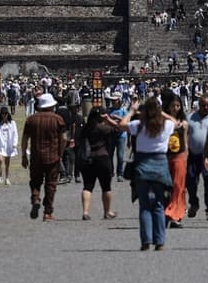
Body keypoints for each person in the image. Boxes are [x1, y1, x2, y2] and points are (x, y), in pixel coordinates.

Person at [107, 96, 176, 250]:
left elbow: (122, 125)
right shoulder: (166, 125)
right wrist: (162, 113)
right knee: (159, 205)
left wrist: (131, 111)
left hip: (142, 163)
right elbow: (176, 122)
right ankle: (160, 241)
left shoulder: (139, 125)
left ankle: (146, 241)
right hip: (160, 164)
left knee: (144, 206)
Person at [21, 93, 67, 221]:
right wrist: (61, 153)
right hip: (53, 156)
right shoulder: (58, 119)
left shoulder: (31, 120)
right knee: (51, 184)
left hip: (36, 156)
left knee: (35, 181)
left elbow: (25, 139)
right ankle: (48, 212)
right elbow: (63, 138)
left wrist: (24, 155)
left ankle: (35, 198)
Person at [77, 106, 119, 221]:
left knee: (87, 186)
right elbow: (118, 128)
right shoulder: (103, 128)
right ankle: (107, 211)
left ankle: (85, 212)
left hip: (87, 159)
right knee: (106, 187)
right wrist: (109, 119)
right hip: (102, 157)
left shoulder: (86, 128)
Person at [162, 92, 189, 229]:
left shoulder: (184, 123)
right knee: (165, 187)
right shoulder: (164, 121)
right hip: (165, 157)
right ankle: (166, 212)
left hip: (179, 156)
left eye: (178, 105)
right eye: (173, 105)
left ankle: (175, 215)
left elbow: (185, 140)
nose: (176, 108)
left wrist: (186, 155)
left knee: (179, 187)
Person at [186, 95, 208, 219]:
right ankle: (194, 203)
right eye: (203, 105)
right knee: (191, 181)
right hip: (192, 154)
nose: (205, 107)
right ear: (199, 104)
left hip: (207, 155)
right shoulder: (190, 117)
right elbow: (186, 134)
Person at [0, 108, 18, 185]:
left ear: (8, 114)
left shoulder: (12, 123)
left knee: (7, 163)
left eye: (6, 114)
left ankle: (7, 178)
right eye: (3, 114)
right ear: (1, 114)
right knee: (0, 160)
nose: (4, 115)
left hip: (9, 145)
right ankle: (0, 177)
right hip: (0, 144)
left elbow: (15, 134)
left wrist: (14, 143)